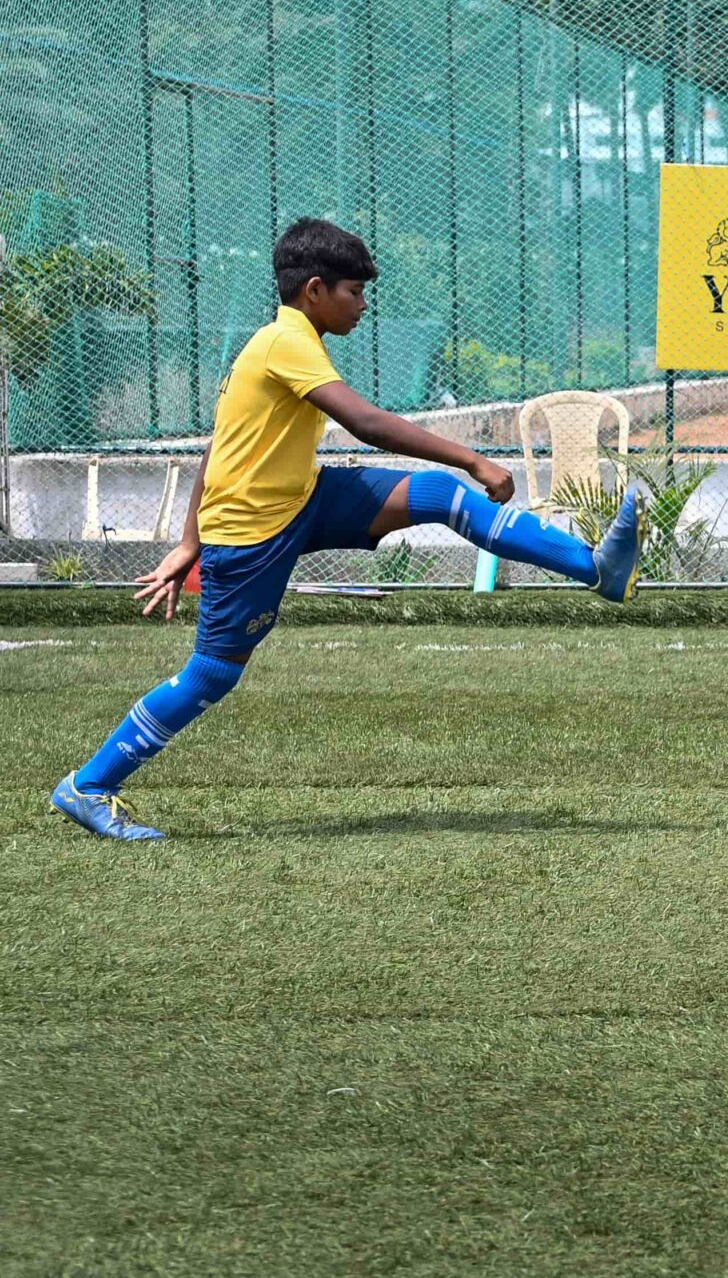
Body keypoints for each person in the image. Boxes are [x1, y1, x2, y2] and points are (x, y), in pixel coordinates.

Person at [51, 218, 642, 842]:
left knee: (438, 496)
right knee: (212, 673)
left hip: (304, 496)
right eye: (354, 292)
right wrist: (472, 457)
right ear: (313, 290)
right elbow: (365, 422)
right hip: (252, 532)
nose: (362, 305)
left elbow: (220, 443)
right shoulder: (285, 343)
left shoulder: (284, 340)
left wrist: (186, 540)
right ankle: (89, 786)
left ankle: (598, 570)